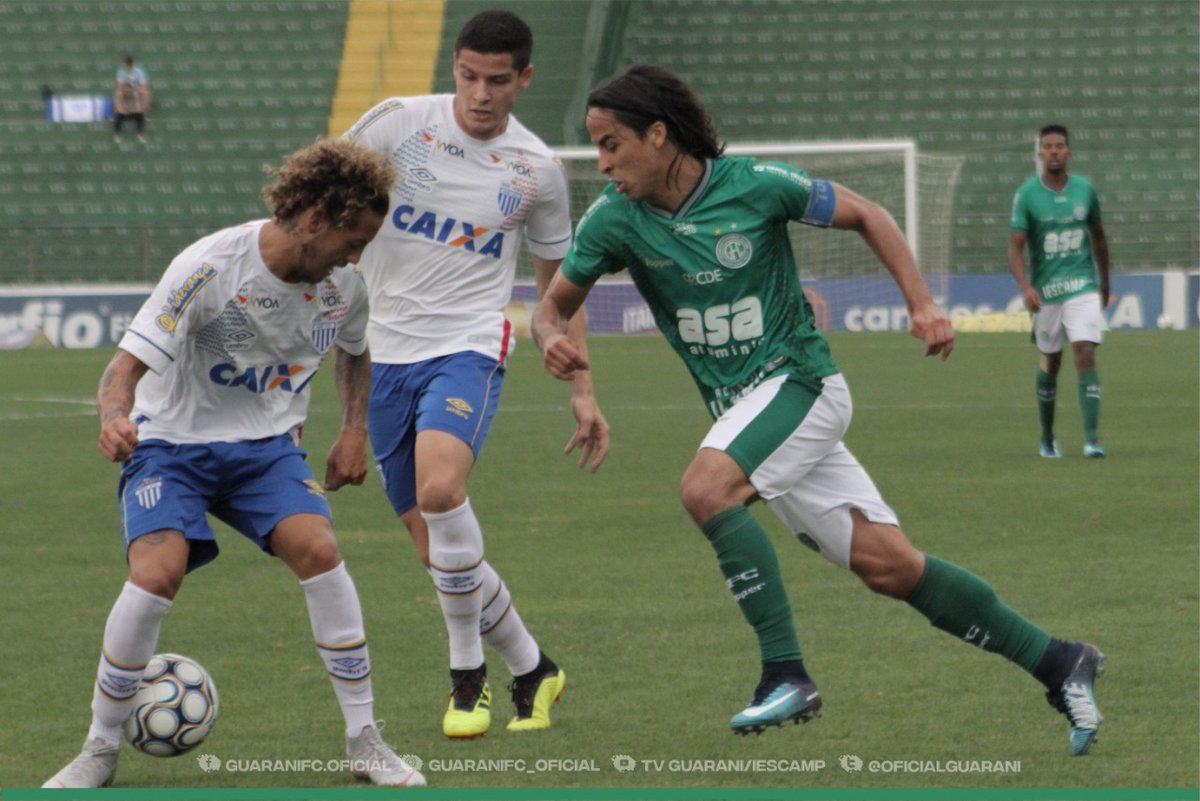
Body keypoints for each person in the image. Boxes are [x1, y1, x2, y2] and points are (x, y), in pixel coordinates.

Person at [532, 65, 1105, 756]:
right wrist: (549, 341)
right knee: (891, 566)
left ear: (658, 135)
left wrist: (921, 302)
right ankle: (1059, 660)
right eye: (595, 147)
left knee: (705, 489)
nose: (603, 163)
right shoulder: (614, 220)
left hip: (800, 384)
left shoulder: (755, 186)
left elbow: (869, 213)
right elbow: (552, 305)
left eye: (612, 144)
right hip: (748, 416)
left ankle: (786, 673)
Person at [42, 139, 425, 788]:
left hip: (267, 450)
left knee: (320, 549)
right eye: (352, 240)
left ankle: (365, 740)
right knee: (157, 572)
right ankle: (99, 748)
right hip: (171, 444)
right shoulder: (209, 266)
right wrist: (113, 418)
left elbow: (355, 354)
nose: (358, 256)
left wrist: (354, 428)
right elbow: (123, 369)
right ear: (312, 220)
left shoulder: (345, 289)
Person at [343, 10, 607, 739]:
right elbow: (324, 193)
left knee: (440, 489)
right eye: (468, 76)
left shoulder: (536, 171)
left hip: (468, 344)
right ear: (452, 69)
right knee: (441, 555)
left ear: (523, 78)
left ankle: (466, 679)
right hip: (384, 352)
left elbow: (564, 285)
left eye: (497, 80)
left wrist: (583, 390)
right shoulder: (398, 125)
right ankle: (533, 666)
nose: (480, 94)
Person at [1009, 124, 1111, 459]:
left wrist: (1105, 283)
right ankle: (1048, 437)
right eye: (1048, 146)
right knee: (1051, 361)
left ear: (1069, 152)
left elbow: (1098, 236)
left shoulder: (1085, 190)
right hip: (1046, 291)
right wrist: (1025, 287)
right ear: (1040, 153)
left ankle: (1092, 440)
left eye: (1060, 146)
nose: (1054, 151)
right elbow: (1015, 248)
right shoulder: (1027, 195)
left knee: (1085, 349)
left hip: (1082, 285)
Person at [114, 56, 150, 143]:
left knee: (146, 95)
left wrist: (133, 90)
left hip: (136, 92)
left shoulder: (139, 72)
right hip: (126, 92)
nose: (123, 66)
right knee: (118, 114)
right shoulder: (121, 72)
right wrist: (126, 90)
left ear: (130, 64)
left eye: (125, 65)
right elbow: (119, 87)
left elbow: (143, 87)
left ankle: (140, 132)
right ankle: (118, 134)